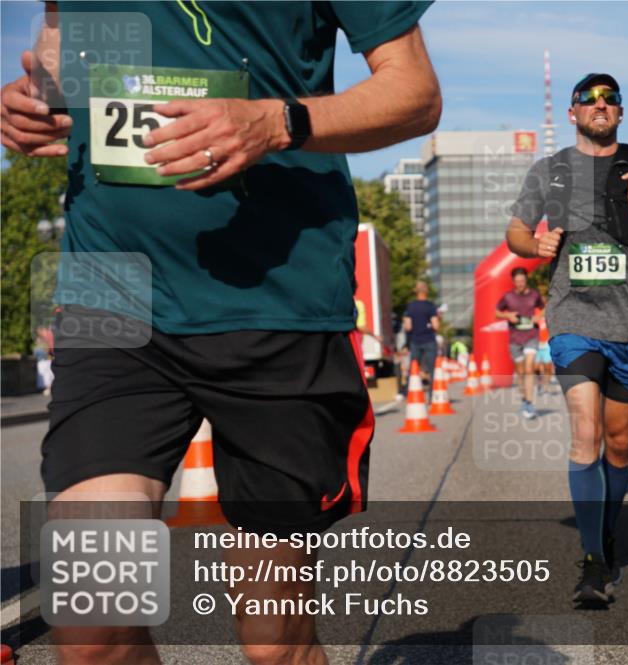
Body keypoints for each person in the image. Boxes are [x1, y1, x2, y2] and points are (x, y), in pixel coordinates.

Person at [1, 2, 440, 663]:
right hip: (113, 287)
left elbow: (414, 92)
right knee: (92, 622)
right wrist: (44, 103)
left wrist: (276, 121)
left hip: (277, 298)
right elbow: (66, 41)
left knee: (273, 644)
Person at [506, 73, 628, 604]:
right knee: (585, 432)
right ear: (572, 113)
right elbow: (516, 230)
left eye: (610, 99)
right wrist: (533, 243)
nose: (600, 105)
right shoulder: (550, 170)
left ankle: (605, 540)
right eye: (589, 99)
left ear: (621, 113)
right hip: (572, 319)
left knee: (617, 442)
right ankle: (592, 563)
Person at [496, 267, 546, 419]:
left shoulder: (534, 295)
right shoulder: (507, 297)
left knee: (529, 367)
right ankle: (524, 399)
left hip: (531, 335)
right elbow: (496, 312)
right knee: (521, 371)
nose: (520, 284)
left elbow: (544, 307)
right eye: (517, 281)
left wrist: (539, 317)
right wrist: (507, 315)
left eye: (522, 281)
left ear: (526, 280)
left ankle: (530, 403)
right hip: (515, 338)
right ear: (513, 282)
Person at [403, 280, 440, 383]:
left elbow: (408, 327)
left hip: (415, 341)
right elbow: (436, 326)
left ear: (416, 292)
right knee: (433, 369)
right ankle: (433, 393)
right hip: (429, 340)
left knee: (413, 368)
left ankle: (410, 392)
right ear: (426, 291)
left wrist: (406, 344)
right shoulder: (431, 306)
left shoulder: (411, 306)